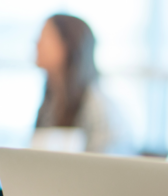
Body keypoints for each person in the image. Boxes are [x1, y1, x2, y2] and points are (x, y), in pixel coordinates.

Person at [35, 14, 134, 154]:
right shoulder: (51, 102)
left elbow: (102, 167)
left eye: (44, 38)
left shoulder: (98, 108)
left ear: (67, 45)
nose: (36, 44)